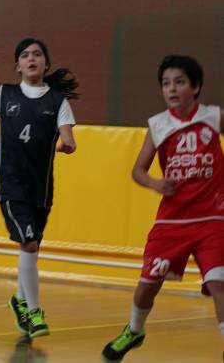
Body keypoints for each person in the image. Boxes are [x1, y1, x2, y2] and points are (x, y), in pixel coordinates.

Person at [102, 55, 224, 360]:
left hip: (212, 217)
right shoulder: (158, 125)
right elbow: (138, 171)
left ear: (195, 87)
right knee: (147, 285)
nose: (171, 89)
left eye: (179, 82)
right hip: (172, 222)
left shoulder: (213, 116)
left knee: (219, 283)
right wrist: (157, 184)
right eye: (166, 83)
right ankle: (135, 330)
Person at [0, 38, 78, 339]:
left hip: (40, 186)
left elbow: (69, 138)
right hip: (10, 182)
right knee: (28, 244)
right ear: (18, 65)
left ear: (46, 64)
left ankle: (20, 300)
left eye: (37, 54)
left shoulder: (57, 102)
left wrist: (67, 144)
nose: (31, 59)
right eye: (25, 55)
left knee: (32, 248)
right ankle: (36, 312)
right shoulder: (6, 94)